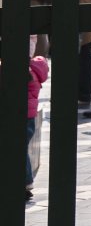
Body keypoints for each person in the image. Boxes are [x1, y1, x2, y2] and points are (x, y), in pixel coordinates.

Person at [24, 55, 48, 198]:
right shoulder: (34, 71)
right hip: (30, 117)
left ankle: (26, 181)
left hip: (19, 116)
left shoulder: (24, 73)